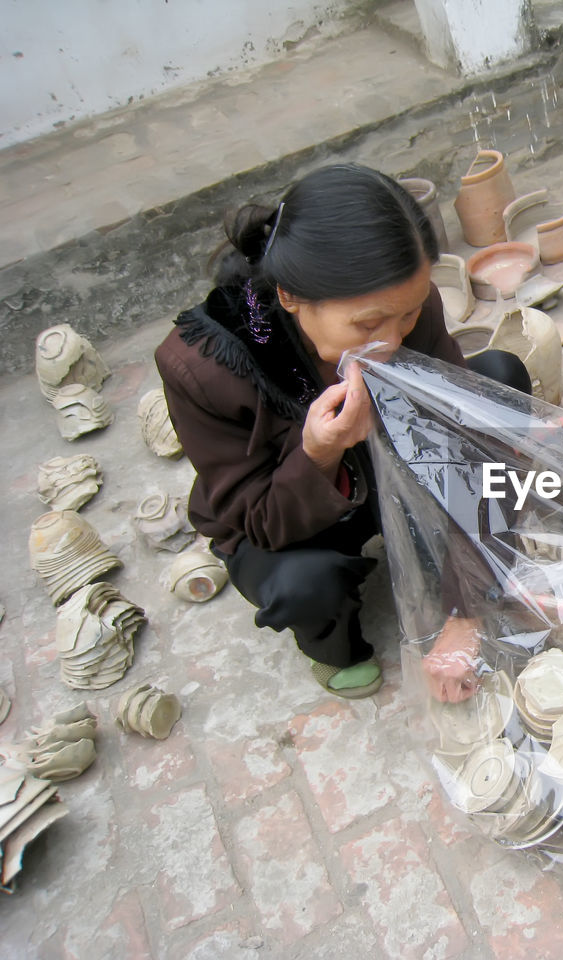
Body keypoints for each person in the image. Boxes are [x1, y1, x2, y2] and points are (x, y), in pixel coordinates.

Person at [155, 163, 528, 700]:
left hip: (388, 472)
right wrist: (319, 453)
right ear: (289, 295)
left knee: (497, 384)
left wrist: (463, 614)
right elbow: (257, 518)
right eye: (367, 324)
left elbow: (471, 445)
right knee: (303, 586)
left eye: (407, 316)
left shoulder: (404, 304)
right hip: (292, 514)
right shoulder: (204, 366)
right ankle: (332, 645)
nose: (391, 339)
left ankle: (440, 562)